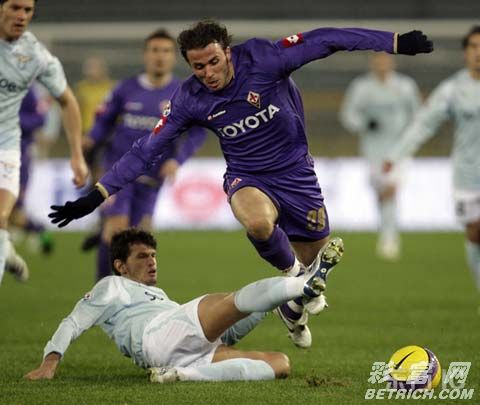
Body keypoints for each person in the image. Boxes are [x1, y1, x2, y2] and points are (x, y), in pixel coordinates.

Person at [49, 20, 433, 345]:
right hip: (246, 177)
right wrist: (97, 194)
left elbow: (325, 39)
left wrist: (394, 42)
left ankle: (292, 306)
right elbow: (146, 149)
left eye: (213, 62)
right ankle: (294, 280)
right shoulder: (190, 98)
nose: (207, 73)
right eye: (198, 67)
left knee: (315, 256)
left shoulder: (264, 59)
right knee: (260, 225)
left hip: (296, 173)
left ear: (228, 53)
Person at [23, 228, 340, 383]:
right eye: (142, 257)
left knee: (280, 364)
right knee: (224, 301)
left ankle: (181, 375)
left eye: (153, 255)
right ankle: (302, 283)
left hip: (182, 352)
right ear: (120, 266)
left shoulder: (158, 295)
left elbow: (225, 328)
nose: (152, 262)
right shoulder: (111, 286)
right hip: (156, 336)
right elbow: (73, 322)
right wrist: (50, 362)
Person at [82, 29, 207, 281]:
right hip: (119, 172)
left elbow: (197, 133)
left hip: (152, 177)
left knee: (138, 240)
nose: (160, 56)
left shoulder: (183, 93)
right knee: (116, 231)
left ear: (174, 57)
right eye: (154, 50)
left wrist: (176, 161)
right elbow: (104, 121)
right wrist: (91, 138)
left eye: (166, 51)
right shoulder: (125, 89)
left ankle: (128, 292)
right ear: (145, 55)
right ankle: (101, 290)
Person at [384, 26, 480, 299]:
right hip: (467, 174)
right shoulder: (453, 89)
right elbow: (424, 123)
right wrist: (396, 155)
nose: (478, 52)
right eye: (473, 47)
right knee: (475, 234)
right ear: (465, 52)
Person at [0, 0, 88, 285]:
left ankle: (8, 244)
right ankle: (6, 249)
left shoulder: (35, 56)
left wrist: (76, 155)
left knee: (4, 215)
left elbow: (68, 101)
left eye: (27, 10)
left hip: (9, 149)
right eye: (15, 7)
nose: (22, 15)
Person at [340, 52, 421, 260]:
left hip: (399, 149)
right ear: (372, 63)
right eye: (378, 60)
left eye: (385, 60)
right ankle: (386, 229)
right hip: (373, 150)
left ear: (392, 62)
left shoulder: (405, 86)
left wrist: (411, 138)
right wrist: (365, 124)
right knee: (381, 192)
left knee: (391, 189)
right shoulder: (361, 87)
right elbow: (348, 114)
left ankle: (389, 237)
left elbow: (418, 115)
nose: (381, 64)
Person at [10, 84, 55, 254]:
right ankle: (37, 230)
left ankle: (38, 230)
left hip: (18, 158)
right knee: (10, 213)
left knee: (12, 209)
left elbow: (40, 119)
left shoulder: (27, 92)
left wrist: (14, 121)